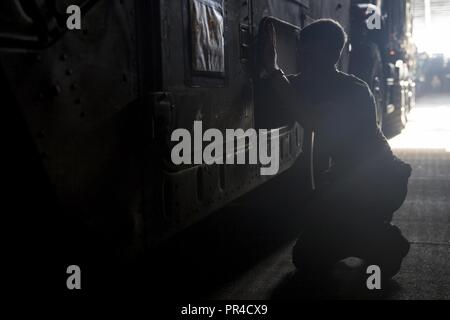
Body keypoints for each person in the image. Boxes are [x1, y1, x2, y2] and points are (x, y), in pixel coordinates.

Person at [261, 19, 411, 281]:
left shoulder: (354, 90)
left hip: (379, 182)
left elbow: (313, 121)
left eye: (309, 51)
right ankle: (357, 233)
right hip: (349, 181)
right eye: (301, 50)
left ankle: (387, 241)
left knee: (345, 226)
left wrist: (274, 70)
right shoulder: (311, 83)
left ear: (331, 53)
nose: (302, 56)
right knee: (307, 258)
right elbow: (288, 90)